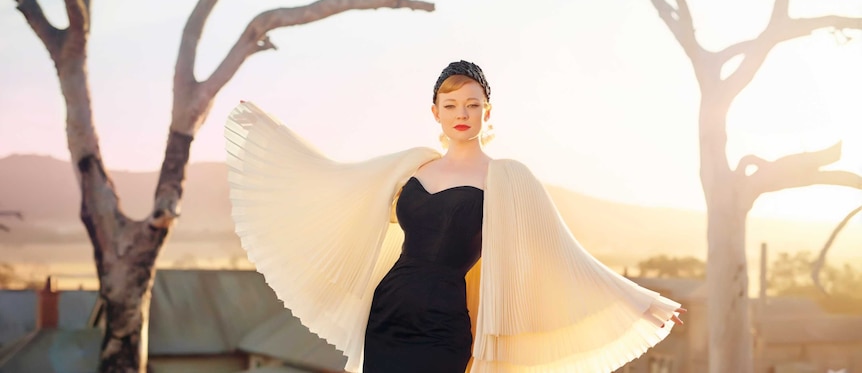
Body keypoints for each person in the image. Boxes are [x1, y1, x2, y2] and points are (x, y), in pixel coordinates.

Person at [225, 60, 685, 373]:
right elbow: (335, 186)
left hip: (443, 321)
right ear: (435, 112)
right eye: (450, 105)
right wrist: (269, 137)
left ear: (487, 111)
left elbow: (561, 250)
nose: (461, 114)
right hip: (386, 313)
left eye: (471, 104)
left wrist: (640, 300)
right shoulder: (413, 165)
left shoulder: (508, 177)